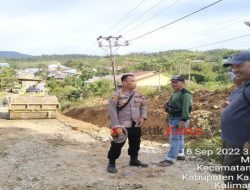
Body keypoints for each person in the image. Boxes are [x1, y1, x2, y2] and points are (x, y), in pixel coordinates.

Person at [107, 74, 148, 173]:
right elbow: (111, 110)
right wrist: (115, 125)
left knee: (135, 143)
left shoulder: (139, 94)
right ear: (124, 82)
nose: (135, 82)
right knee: (117, 144)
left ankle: (133, 160)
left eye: (135, 80)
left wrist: (143, 117)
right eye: (132, 81)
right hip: (121, 124)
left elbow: (144, 106)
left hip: (136, 124)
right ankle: (111, 163)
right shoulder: (116, 95)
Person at [222, 51, 250, 190]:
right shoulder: (245, 86)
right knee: (234, 179)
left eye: (239, 65)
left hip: (241, 144)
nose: (235, 70)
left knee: (234, 181)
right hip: (233, 141)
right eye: (233, 67)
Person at [158, 75, 192, 166]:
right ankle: (180, 154)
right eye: (172, 82)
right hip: (173, 117)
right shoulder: (175, 92)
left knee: (174, 138)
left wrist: (183, 120)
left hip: (179, 119)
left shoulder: (186, 94)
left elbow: (186, 108)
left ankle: (170, 159)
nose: (174, 84)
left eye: (176, 82)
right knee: (179, 137)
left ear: (183, 82)